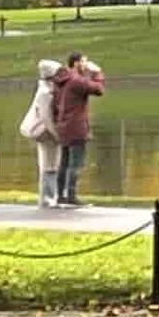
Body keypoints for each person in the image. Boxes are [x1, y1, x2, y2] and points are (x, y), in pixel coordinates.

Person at [44, 52, 106, 206]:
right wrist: (97, 72)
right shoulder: (76, 80)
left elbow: (54, 106)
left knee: (64, 163)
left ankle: (60, 196)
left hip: (63, 127)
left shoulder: (60, 82)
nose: (86, 65)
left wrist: (58, 123)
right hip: (77, 127)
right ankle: (71, 195)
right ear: (76, 63)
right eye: (84, 62)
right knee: (76, 163)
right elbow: (98, 89)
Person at [19, 58, 67, 207]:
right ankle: (47, 198)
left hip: (48, 133)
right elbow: (46, 118)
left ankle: (51, 196)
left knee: (51, 164)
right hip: (46, 133)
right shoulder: (45, 93)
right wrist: (56, 135)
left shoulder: (48, 90)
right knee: (49, 165)